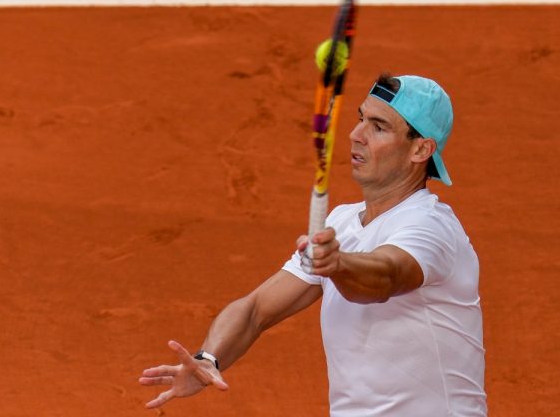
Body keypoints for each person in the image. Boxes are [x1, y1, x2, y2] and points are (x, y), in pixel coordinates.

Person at [139, 73, 487, 416]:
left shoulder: (429, 226)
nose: (356, 135)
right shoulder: (341, 223)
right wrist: (208, 359)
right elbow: (257, 309)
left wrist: (339, 265)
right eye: (361, 119)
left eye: (379, 127)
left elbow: (386, 277)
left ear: (421, 149)